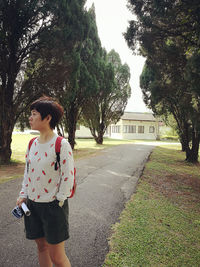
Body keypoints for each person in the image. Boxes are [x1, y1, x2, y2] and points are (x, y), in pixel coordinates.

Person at [16, 96, 74, 267]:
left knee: (57, 255)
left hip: (53, 206)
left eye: (34, 114)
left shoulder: (61, 144)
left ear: (48, 118)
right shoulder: (32, 143)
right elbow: (28, 173)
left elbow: (68, 176)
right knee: (41, 247)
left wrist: (59, 200)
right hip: (32, 205)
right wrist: (23, 194)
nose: (30, 117)